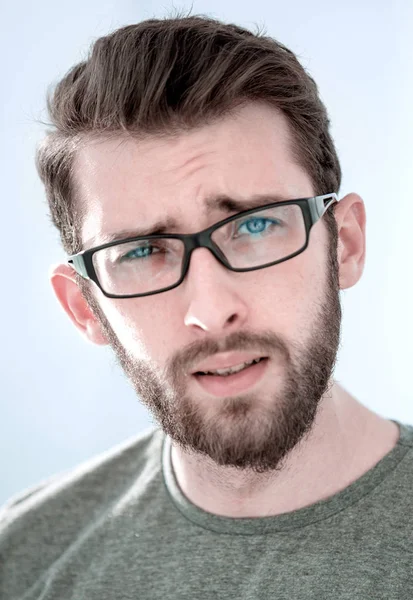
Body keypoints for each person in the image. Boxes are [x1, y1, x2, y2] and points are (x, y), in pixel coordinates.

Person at [1, 14, 412, 600]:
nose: (213, 310)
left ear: (343, 244)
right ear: (84, 307)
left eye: (255, 224)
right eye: (142, 250)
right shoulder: (23, 560)